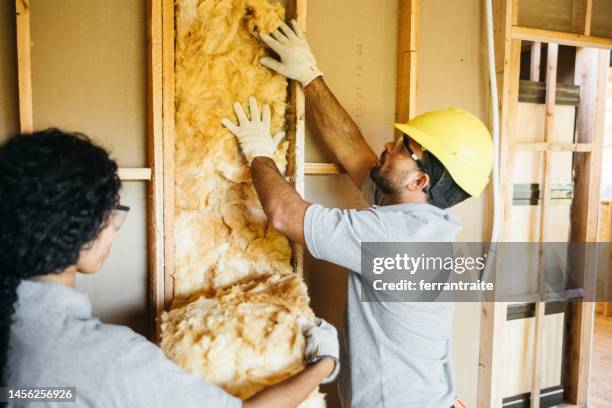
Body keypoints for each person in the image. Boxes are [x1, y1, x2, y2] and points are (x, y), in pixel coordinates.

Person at [221, 20, 493, 408]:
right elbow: (353, 151)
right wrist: (310, 76)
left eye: (403, 147)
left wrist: (258, 151)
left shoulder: (392, 239)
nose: (389, 144)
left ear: (419, 182)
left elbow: (284, 214)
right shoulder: (425, 220)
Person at [0, 129, 340, 408]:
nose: (113, 226)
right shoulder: (105, 358)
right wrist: (324, 363)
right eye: (111, 212)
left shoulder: (21, 327)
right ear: (78, 226)